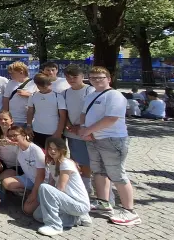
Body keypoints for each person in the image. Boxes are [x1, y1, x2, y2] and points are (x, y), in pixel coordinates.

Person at [79, 66, 141, 226]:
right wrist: (84, 129)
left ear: (108, 79)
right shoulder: (91, 95)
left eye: (100, 77)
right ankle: (103, 202)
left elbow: (111, 118)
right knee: (99, 171)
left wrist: (88, 130)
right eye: (93, 78)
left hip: (112, 139)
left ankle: (129, 211)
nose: (96, 80)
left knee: (117, 174)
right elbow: (84, 114)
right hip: (94, 139)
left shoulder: (115, 95)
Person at [33, 137, 92, 236]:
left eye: (55, 149)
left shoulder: (65, 163)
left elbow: (61, 188)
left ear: (62, 150)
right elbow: (51, 184)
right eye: (50, 148)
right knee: (37, 215)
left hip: (78, 203)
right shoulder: (52, 163)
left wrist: (53, 204)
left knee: (44, 187)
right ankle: (76, 219)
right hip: (67, 200)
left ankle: (55, 226)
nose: (52, 151)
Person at [61, 64, 96, 195]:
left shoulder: (90, 91)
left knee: (88, 160)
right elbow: (63, 112)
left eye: (75, 77)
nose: (71, 80)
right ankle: (80, 185)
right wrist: (69, 125)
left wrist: (81, 126)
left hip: (87, 131)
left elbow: (92, 111)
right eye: (68, 77)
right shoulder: (65, 93)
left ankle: (88, 186)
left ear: (82, 76)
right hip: (72, 132)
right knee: (76, 159)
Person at [0, 126, 45, 215]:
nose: (12, 138)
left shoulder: (36, 150)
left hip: (40, 182)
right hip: (29, 179)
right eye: (10, 136)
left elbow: (41, 175)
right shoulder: (17, 147)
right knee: (6, 182)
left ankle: (38, 197)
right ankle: (28, 193)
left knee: (27, 210)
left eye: (15, 135)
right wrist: (5, 141)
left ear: (24, 135)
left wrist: (34, 193)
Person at [26, 73, 68, 149]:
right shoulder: (33, 96)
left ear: (50, 84)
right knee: (39, 154)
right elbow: (30, 112)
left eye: (45, 86)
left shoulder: (58, 97)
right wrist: (29, 126)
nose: (43, 88)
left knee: (55, 154)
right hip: (37, 131)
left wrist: (59, 132)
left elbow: (63, 116)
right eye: (40, 86)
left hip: (53, 132)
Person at [2, 61, 36, 127]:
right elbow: (5, 100)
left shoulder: (34, 83)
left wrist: (28, 95)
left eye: (12, 73)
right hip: (13, 119)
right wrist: (5, 116)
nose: (10, 75)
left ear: (21, 72)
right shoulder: (10, 83)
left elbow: (40, 98)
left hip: (29, 120)